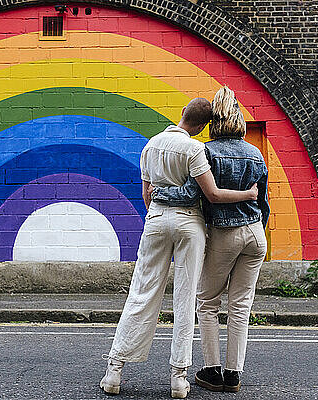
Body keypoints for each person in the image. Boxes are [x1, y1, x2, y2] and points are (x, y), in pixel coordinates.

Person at [100, 98, 258, 399]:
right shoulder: (195, 149)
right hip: (190, 224)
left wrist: (158, 212)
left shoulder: (150, 146)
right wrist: (247, 193)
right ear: (201, 126)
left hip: (157, 219)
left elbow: (147, 194)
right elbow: (211, 194)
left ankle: (114, 371)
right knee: (185, 298)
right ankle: (178, 379)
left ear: (183, 115)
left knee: (142, 292)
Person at [152, 86, 270, 393]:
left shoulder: (207, 151)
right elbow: (264, 202)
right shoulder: (256, 153)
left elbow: (193, 194)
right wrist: (257, 229)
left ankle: (212, 371)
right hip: (256, 234)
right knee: (241, 305)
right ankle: (234, 374)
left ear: (213, 123)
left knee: (206, 302)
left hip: (224, 233)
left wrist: (159, 193)